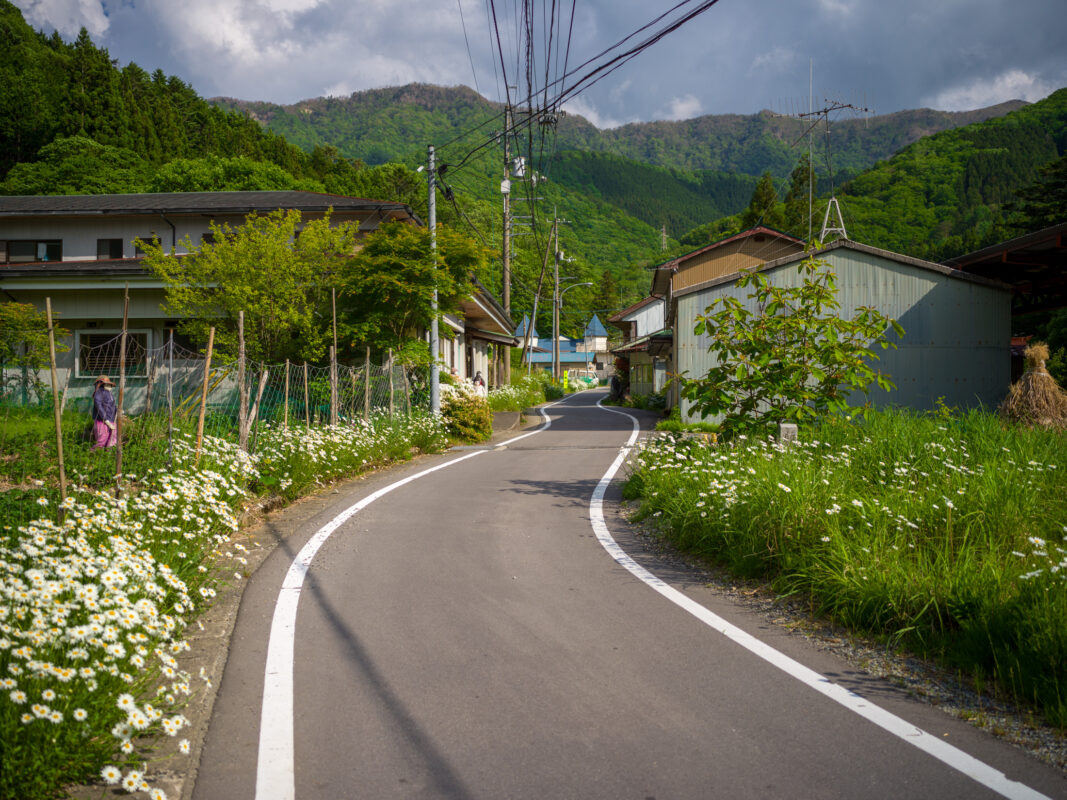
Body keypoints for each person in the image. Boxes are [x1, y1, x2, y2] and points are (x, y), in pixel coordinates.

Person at [91, 375, 118, 449]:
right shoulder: (98, 393)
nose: (109, 386)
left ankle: (109, 454)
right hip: (101, 420)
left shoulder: (109, 393)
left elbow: (111, 405)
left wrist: (117, 410)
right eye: (107, 384)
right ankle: (94, 454)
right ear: (100, 384)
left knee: (113, 437)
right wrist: (106, 420)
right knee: (102, 439)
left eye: (109, 384)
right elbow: (99, 407)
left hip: (112, 418)